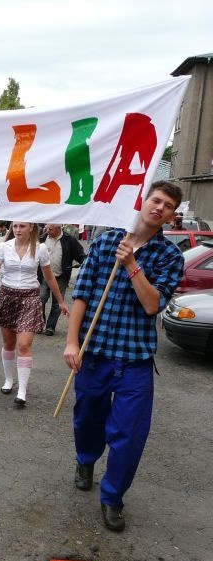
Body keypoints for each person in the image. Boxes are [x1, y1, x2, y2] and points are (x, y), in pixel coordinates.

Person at [63, 181, 184, 532]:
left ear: (172, 216)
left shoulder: (169, 256)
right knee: (88, 419)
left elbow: (151, 305)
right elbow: (82, 295)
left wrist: (132, 265)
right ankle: (85, 460)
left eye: (168, 206)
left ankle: (112, 497)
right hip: (94, 352)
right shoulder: (104, 243)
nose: (160, 207)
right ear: (143, 202)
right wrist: (72, 343)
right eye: (156, 200)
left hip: (134, 359)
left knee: (130, 433)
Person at [0, 222, 68, 407]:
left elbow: (49, 277)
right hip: (8, 297)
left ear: (31, 228)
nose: (18, 230)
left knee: (24, 344)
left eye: (22, 226)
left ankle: (22, 391)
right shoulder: (3, 247)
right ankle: (9, 380)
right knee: (9, 343)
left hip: (30, 298)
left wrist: (60, 301)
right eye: (16, 226)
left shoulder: (40, 249)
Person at [39, 223, 86, 336]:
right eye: (46, 228)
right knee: (41, 299)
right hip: (43, 275)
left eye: (50, 228)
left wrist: (85, 262)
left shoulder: (69, 240)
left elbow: (80, 255)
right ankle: (41, 323)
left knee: (57, 303)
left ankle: (50, 326)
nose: (47, 230)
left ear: (58, 228)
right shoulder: (42, 238)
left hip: (61, 276)